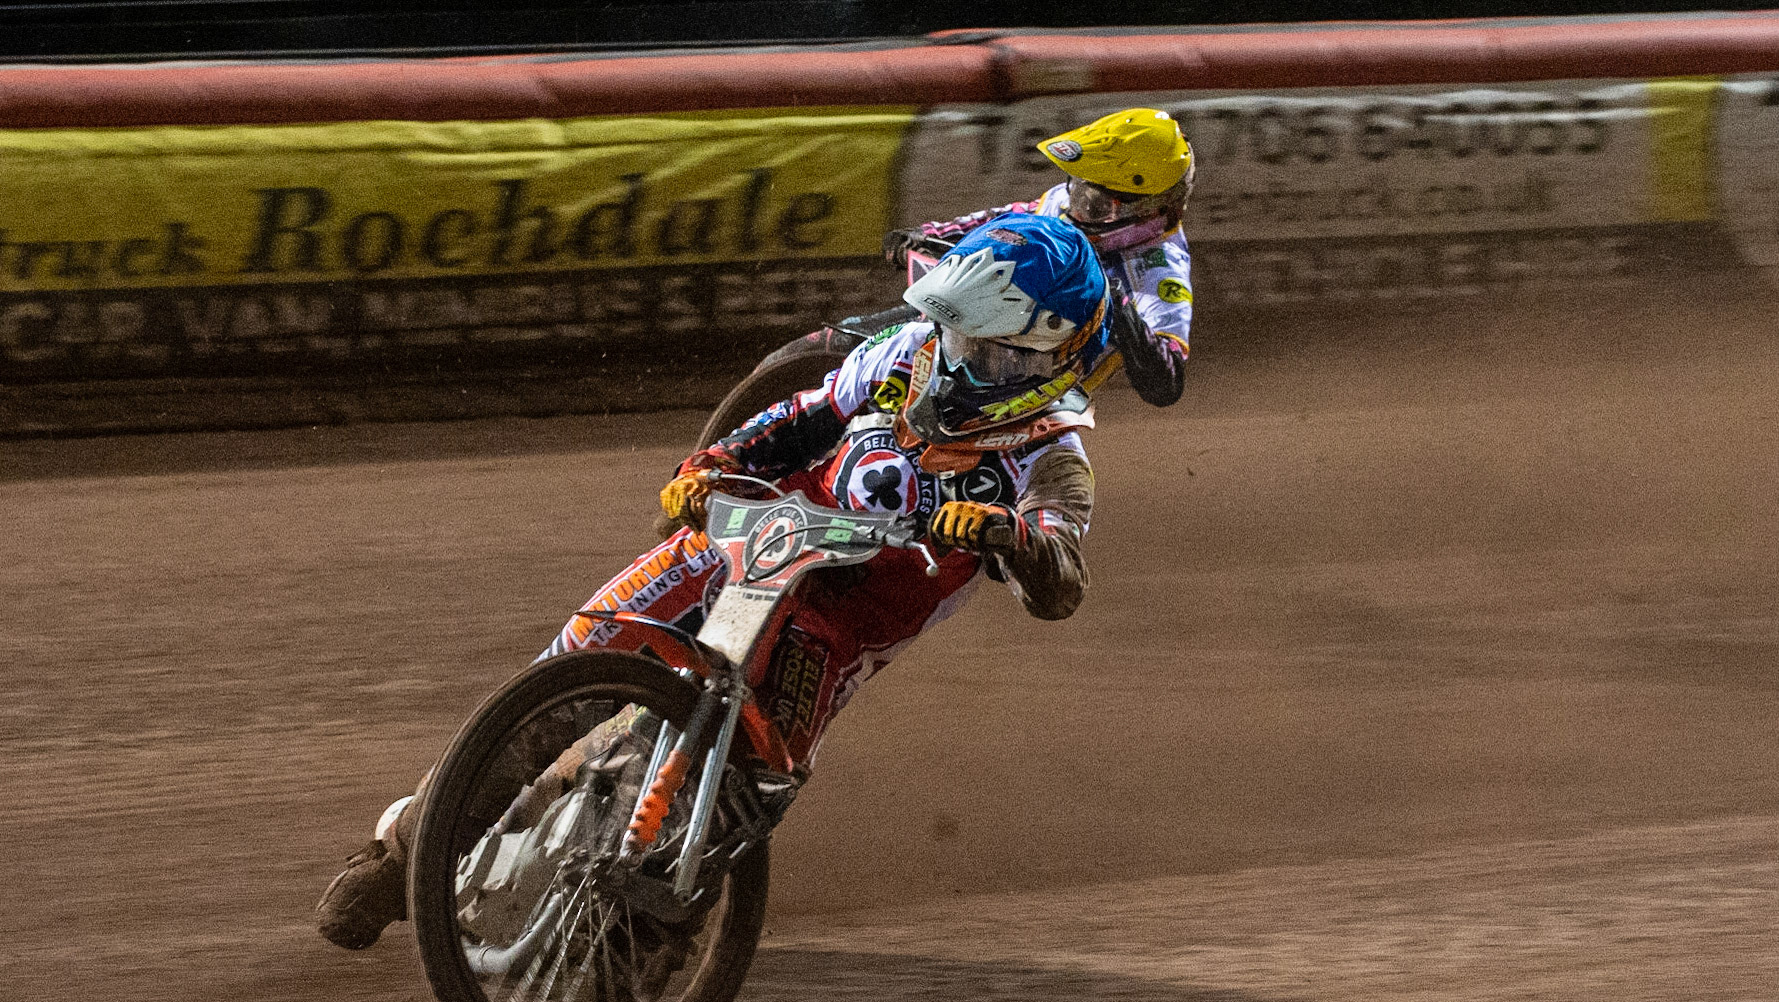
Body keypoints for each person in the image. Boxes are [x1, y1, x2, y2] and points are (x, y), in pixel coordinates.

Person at [316, 212, 1113, 950]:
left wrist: (1015, 535)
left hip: (840, 619)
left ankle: (645, 953)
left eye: (987, 346)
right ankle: (405, 855)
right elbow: (802, 417)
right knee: (571, 667)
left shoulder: (1052, 457)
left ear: (1048, 354)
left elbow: (1062, 576)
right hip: (759, 534)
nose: (958, 354)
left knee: (749, 782)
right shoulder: (907, 352)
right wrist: (712, 467)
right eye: (954, 329)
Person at [884, 108, 1195, 410]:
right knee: (882, 333)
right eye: (1078, 189)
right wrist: (927, 235)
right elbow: (1006, 222)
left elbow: (1167, 385)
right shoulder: (1073, 201)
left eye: (1096, 206)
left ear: (1149, 210)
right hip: (980, 326)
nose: (1077, 208)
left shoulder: (1159, 271)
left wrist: (1123, 314)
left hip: (1032, 382)